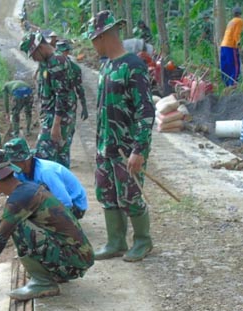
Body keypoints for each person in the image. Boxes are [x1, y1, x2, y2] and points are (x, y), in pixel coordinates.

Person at [0, 149, 94, 300]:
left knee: (17, 227)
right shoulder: (26, 189)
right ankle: (48, 275)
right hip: (77, 256)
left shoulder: (20, 198)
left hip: (74, 260)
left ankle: (43, 283)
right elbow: (0, 224)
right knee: (12, 224)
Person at [86, 10, 155, 262]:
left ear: (103, 37)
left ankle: (143, 241)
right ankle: (115, 241)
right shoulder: (106, 66)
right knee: (106, 193)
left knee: (131, 195)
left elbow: (146, 110)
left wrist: (139, 149)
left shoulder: (133, 66)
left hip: (128, 147)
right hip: (106, 146)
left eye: (93, 40)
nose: (92, 46)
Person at [19, 32, 77, 169]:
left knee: (42, 159)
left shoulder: (56, 61)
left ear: (40, 47)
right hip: (57, 116)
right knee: (61, 158)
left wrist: (56, 124)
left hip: (57, 118)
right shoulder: (49, 61)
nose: (34, 59)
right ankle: (62, 188)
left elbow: (62, 95)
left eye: (33, 55)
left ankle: (46, 189)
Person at [4, 137, 88, 219]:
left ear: (26, 160)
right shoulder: (19, 171)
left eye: (14, 162)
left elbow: (66, 202)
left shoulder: (46, 172)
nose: (12, 166)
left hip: (75, 206)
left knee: (33, 215)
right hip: (57, 201)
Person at [56, 40, 89, 122]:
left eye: (63, 52)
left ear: (67, 52)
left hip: (68, 104)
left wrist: (84, 107)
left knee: (68, 131)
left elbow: (79, 88)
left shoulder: (74, 68)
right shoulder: (50, 67)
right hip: (54, 104)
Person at [220, 6, 243, 87]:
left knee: (225, 66)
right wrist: (239, 46)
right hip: (231, 46)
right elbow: (236, 34)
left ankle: (226, 84)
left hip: (223, 45)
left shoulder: (231, 22)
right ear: (240, 14)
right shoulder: (239, 21)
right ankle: (233, 83)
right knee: (235, 65)